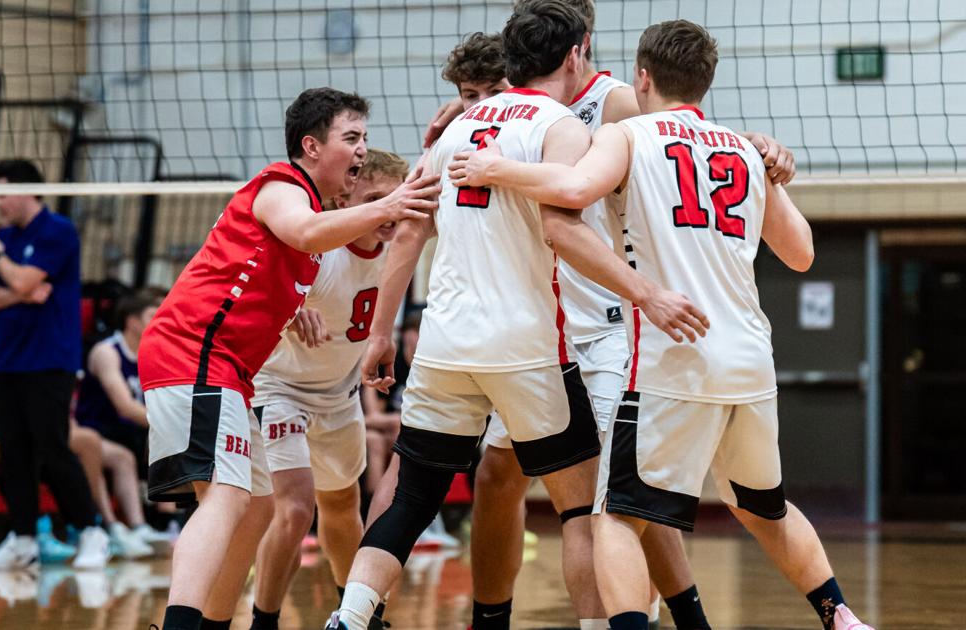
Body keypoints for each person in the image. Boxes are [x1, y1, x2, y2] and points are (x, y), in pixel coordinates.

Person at [447, 18, 874, 630]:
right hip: (749, 361)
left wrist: (495, 169)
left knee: (617, 514)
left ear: (642, 77)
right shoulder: (741, 149)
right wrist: (773, 179)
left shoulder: (629, 135)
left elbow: (571, 186)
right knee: (764, 507)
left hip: (673, 355)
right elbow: (802, 254)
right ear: (705, 83)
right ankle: (840, 615)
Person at [335, 4, 706, 630]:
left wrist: (381, 334)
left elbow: (407, 236)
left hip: (472, 340)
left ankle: (349, 617)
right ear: (574, 49)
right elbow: (563, 220)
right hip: (534, 338)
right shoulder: (557, 125)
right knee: (579, 505)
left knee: (415, 489)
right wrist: (648, 292)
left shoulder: (473, 129)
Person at [137, 87, 438, 630]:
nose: (363, 150)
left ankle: (214, 622)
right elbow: (302, 232)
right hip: (196, 350)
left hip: (238, 373)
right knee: (230, 498)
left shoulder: (328, 222)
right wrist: (389, 203)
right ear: (311, 146)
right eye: (352, 138)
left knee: (255, 507)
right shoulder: (280, 185)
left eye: (366, 138)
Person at [249, 149, 408, 630]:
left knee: (342, 505)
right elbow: (254, 297)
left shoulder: (401, 246)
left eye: (392, 198)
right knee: (296, 511)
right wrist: (289, 309)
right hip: (280, 389)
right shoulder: (317, 244)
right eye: (374, 198)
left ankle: (357, 615)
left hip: (339, 393)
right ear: (346, 200)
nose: (386, 209)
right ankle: (264, 620)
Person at [0, 274, 154, 561]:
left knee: (84, 440)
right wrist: (14, 382)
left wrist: (11, 384)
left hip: (9, 417)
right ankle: (36, 530)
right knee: (25, 443)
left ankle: (98, 526)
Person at [0, 159, 110, 570]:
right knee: (13, 452)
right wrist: (19, 288)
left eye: (2, 193)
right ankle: (23, 539)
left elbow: (17, 282)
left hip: (50, 358)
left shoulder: (57, 230)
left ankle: (91, 531)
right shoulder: (5, 236)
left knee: (53, 445)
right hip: (7, 359)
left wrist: (1, 265)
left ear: (28, 190)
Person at [76, 287, 174, 546]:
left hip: (132, 431)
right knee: (138, 450)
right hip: (99, 428)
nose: (164, 319)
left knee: (172, 442)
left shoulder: (157, 352)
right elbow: (125, 407)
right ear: (133, 321)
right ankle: (134, 526)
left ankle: (169, 521)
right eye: (155, 314)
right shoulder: (107, 351)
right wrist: (173, 426)